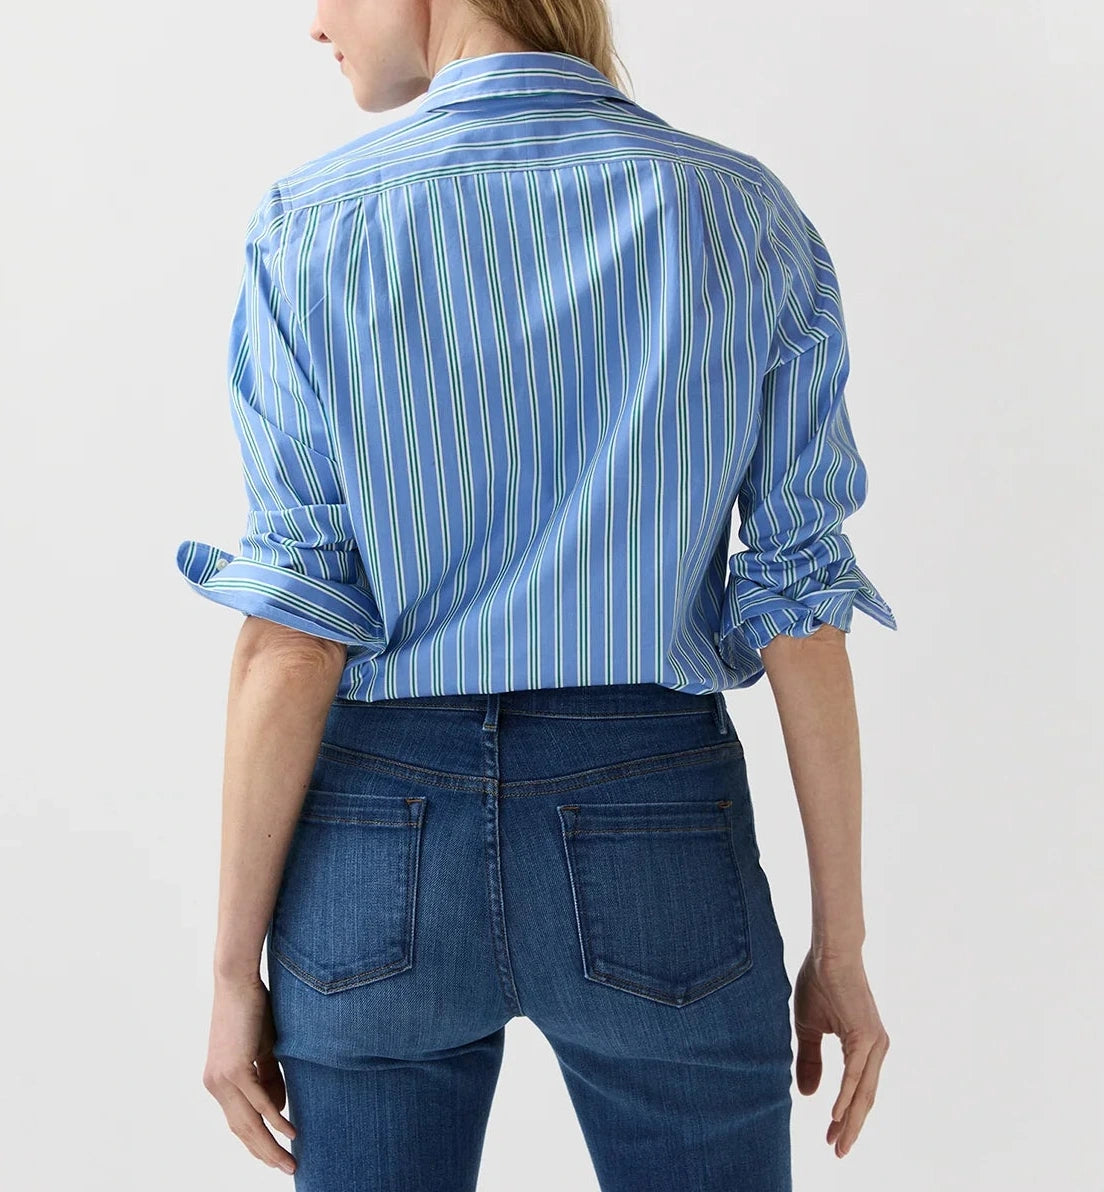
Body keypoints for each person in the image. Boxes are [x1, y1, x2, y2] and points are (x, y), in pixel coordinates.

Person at [184, 2, 895, 1188]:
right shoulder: (737, 214)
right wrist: (843, 944)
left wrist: (226, 973)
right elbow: (799, 608)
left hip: (376, 837)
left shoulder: (314, 225)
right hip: (655, 820)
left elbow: (294, 637)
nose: (316, 21)